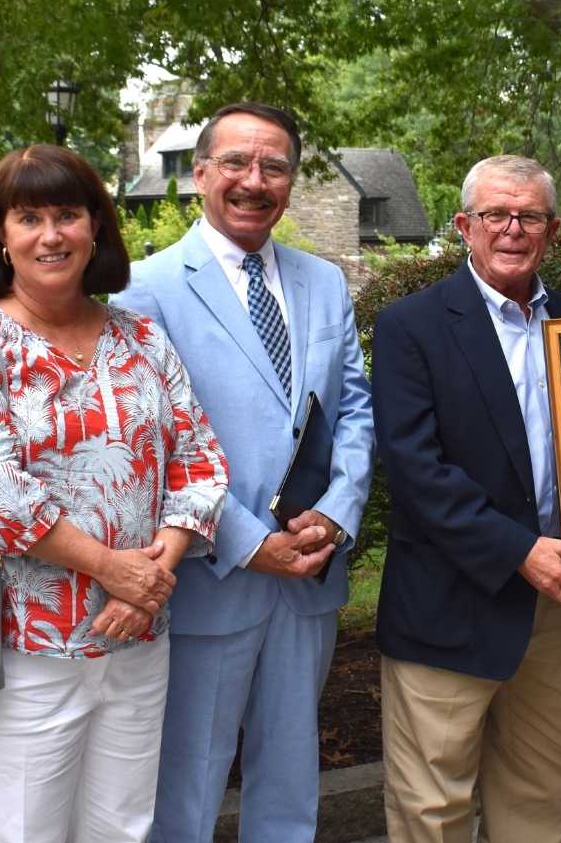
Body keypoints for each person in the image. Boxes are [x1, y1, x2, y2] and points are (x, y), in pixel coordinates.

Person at [0, 145, 228, 842]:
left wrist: (151, 574)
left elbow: (199, 459)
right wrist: (115, 569)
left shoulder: (140, 337)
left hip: (136, 636)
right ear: (0, 232)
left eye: (67, 214)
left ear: (96, 228)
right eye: (29, 216)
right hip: (13, 644)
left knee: (123, 828)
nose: (50, 234)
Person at [111, 101, 374, 843]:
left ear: (290, 180)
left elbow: (353, 406)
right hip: (210, 578)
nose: (254, 180)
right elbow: (149, 441)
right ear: (199, 174)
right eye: (235, 162)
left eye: (273, 166)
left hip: (311, 575)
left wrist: (338, 511)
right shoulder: (145, 287)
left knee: (291, 783)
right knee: (186, 787)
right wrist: (249, 541)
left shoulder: (323, 282)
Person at [371, 154, 561, 843]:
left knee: (537, 790)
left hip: (551, 602)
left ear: (550, 230)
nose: (511, 229)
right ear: (465, 225)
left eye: (528, 215)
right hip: (447, 599)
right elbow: (415, 469)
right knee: (431, 809)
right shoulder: (412, 326)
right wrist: (516, 549)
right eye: (495, 214)